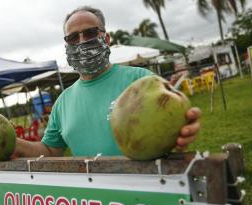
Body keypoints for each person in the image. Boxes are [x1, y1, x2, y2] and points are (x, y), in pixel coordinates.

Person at [14, 6, 201, 158]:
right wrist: (15, 144)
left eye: (90, 33)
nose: (81, 42)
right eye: (73, 37)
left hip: (147, 196)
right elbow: (50, 151)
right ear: (67, 45)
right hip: (97, 200)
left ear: (107, 38)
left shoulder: (142, 80)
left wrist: (183, 128)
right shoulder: (62, 103)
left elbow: (173, 122)